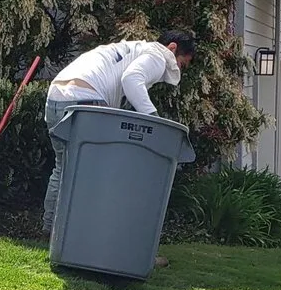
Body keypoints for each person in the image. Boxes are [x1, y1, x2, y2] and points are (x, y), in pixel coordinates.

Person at [41, 30, 196, 236]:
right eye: (181, 64)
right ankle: (81, 238)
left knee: (63, 169)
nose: (178, 69)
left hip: (57, 97)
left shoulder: (130, 49)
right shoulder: (158, 55)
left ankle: (50, 232)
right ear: (172, 48)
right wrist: (155, 120)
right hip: (85, 100)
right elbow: (131, 79)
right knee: (94, 175)